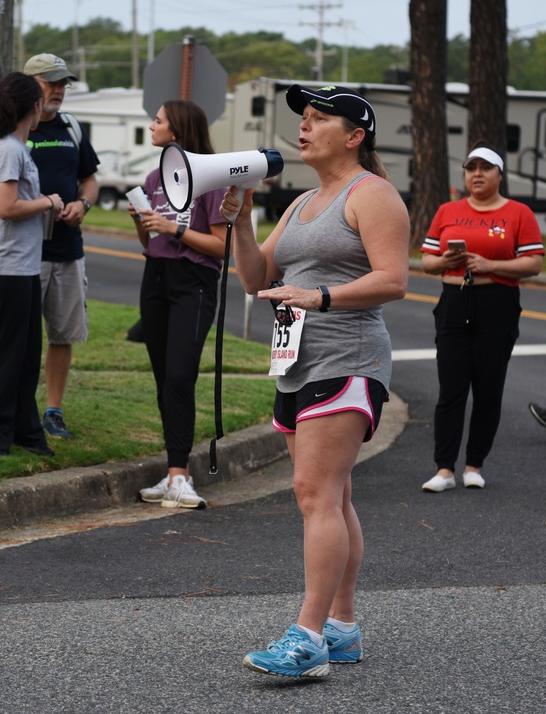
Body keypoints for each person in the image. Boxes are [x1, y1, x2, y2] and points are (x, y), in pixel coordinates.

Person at [221, 84, 409, 677]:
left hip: (348, 357)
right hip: (297, 361)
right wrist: (242, 224)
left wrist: (319, 296)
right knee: (334, 495)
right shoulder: (303, 202)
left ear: (354, 136)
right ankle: (342, 629)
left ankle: (307, 637)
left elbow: (395, 280)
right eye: (302, 118)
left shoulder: (371, 194)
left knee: (312, 493)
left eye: (318, 119)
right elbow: (255, 280)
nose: (304, 126)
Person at [0, 53, 100, 440]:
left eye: (64, 83)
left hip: (63, 249)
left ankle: (45, 413)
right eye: (51, 83)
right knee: (5, 339)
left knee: (55, 336)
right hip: (16, 257)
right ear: (29, 90)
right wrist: (43, 201)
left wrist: (80, 204)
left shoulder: (71, 128)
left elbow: (90, 180)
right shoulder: (5, 139)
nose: (58, 90)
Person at [419, 144, 544, 492]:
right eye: (471, 167)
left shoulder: (518, 213)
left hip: (497, 301)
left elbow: (533, 263)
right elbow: (426, 261)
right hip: (453, 301)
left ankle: (474, 465)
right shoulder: (447, 211)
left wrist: (492, 265)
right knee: (451, 389)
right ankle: (444, 469)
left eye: (485, 168)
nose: (477, 174)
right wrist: (445, 260)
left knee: (488, 389)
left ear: (499, 174)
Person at [130, 100, 229, 509]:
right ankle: (173, 471)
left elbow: (222, 247)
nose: (151, 125)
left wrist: (175, 227)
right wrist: (144, 224)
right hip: (155, 276)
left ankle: (180, 476)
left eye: (158, 120)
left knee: (180, 374)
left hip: (195, 282)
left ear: (178, 129)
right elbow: (151, 242)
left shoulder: (211, 176)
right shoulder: (155, 175)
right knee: (162, 378)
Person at [0, 71, 62, 457]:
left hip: (21, 265)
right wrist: (49, 202)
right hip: (6, 265)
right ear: (34, 106)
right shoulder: (8, 148)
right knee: (8, 354)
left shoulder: (13, 147)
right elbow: (6, 208)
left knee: (26, 354)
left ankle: (25, 431)